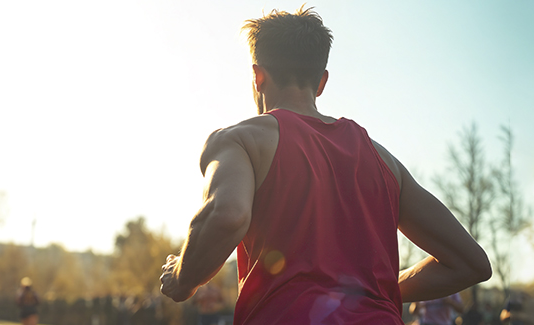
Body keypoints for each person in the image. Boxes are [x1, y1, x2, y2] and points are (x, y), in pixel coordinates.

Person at [157, 7, 493, 324]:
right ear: (321, 82)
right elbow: (470, 263)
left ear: (258, 77)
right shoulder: (384, 161)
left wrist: (182, 278)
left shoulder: (241, 140)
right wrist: (371, 295)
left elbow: (227, 216)